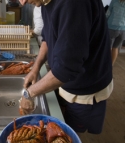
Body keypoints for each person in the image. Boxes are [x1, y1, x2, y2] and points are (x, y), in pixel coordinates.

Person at [19, 0, 113, 134]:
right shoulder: (46, 2)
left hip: (86, 88)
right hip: (69, 83)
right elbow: (48, 38)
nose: (22, 3)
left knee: (73, 132)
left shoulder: (73, 4)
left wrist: (28, 94)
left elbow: (66, 69)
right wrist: (35, 68)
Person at [106, 0, 125, 65]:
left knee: (108, 48)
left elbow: (108, 13)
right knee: (115, 48)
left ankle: (106, 66)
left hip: (112, 28)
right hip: (123, 30)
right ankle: (111, 65)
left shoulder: (114, 1)